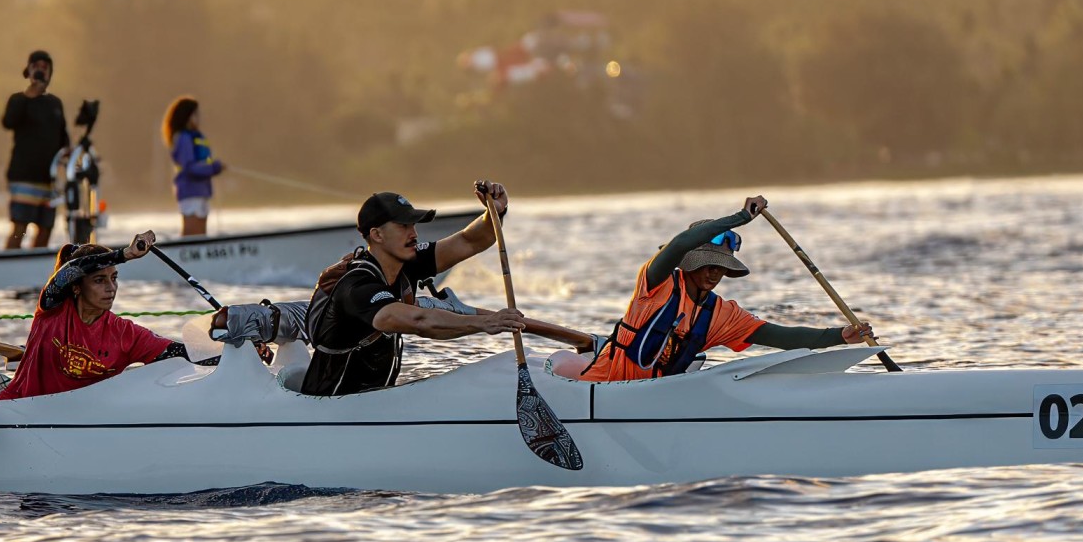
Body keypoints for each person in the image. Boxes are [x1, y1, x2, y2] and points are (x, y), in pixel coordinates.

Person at [298, 187, 586, 398]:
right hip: (331, 405)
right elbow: (419, 322)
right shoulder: (356, 285)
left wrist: (493, 213)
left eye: (413, 224)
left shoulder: (407, 262)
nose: (414, 233)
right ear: (377, 235)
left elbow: (467, 242)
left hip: (372, 399)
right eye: (403, 225)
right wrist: (486, 323)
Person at [578, 193, 873, 381]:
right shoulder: (656, 283)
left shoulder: (721, 315)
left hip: (650, 399)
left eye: (721, 266)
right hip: (601, 388)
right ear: (689, 261)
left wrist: (840, 336)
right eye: (709, 264)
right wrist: (741, 218)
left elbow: (780, 336)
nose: (715, 272)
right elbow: (680, 243)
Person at [4, 231, 185, 399]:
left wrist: (213, 331)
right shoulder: (53, 308)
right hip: (18, 412)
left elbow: (182, 354)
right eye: (99, 280)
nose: (110, 288)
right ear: (76, 287)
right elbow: (70, 270)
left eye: (113, 278)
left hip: (77, 423)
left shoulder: (124, 333)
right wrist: (124, 254)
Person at [1, 50, 68, 247]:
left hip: (49, 178)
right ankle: (9, 262)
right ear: (28, 71)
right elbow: (8, 122)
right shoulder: (18, 100)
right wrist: (30, 94)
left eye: (45, 68)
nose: (40, 71)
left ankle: (34, 264)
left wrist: (70, 154)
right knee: (19, 227)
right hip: (24, 176)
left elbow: (63, 135)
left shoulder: (55, 103)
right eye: (36, 67)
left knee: (46, 227)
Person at [164, 97, 222, 236]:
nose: (199, 118)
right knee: (192, 232)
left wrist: (216, 167)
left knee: (201, 233)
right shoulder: (184, 138)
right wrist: (213, 168)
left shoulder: (196, 136)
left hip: (202, 191)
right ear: (187, 116)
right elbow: (189, 167)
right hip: (190, 192)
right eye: (196, 114)